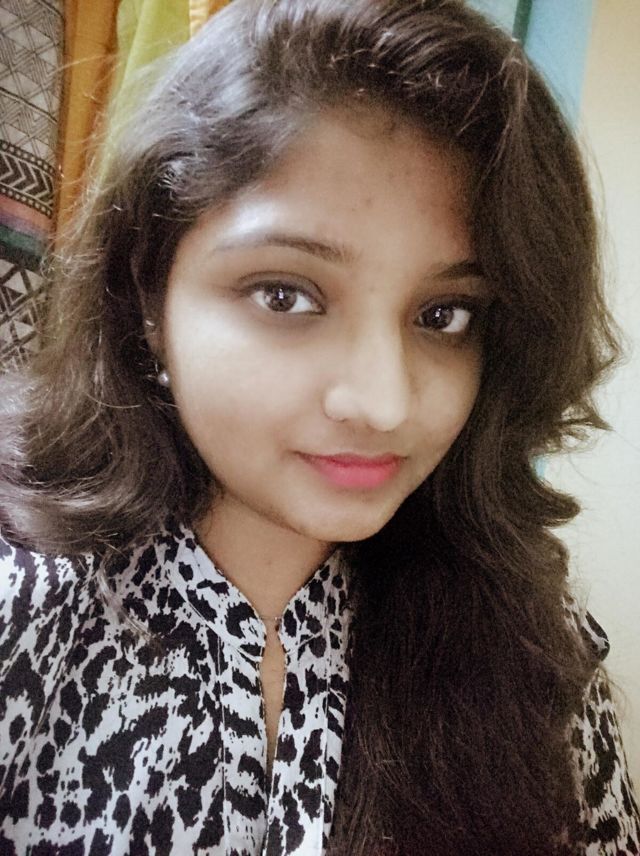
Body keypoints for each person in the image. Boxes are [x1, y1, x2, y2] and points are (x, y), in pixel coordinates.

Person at [0, 0, 638, 853]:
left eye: (444, 316)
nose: (384, 403)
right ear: (150, 292)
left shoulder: (534, 656)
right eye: (286, 296)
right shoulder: (22, 620)